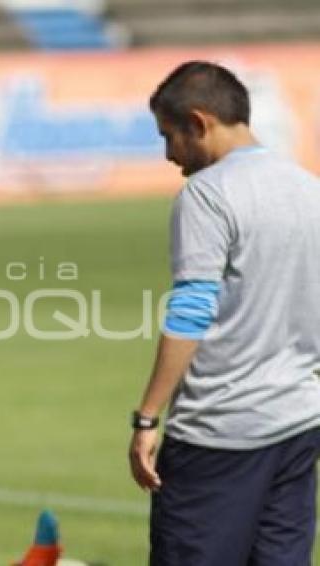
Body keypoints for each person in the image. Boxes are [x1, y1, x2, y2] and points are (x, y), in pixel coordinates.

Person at [128, 61, 320, 566]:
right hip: (298, 424)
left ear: (199, 122)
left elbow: (191, 310)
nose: (169, 154)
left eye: (168, 136)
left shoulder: (207, 195)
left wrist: (147, 417)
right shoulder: (309, 189)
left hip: (219, 432)